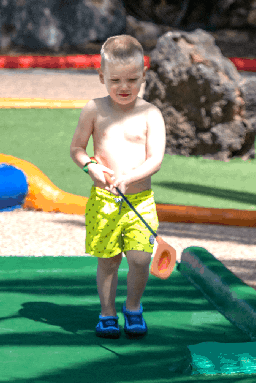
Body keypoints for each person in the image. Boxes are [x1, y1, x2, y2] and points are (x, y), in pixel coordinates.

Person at [70, 34, 166, 339]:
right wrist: (90, 166)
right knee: (108, 261)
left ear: (143, 76)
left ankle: (133, 307)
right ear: (102, 76)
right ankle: (107, 312)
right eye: (115, 80)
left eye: (132, 80)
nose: (124, 87)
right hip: (105, 201)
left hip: (140, 201)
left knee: (140, 258)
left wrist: (130, 177)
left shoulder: (150, 113)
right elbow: (77, 149)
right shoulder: (94, 109)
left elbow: (156, 159)